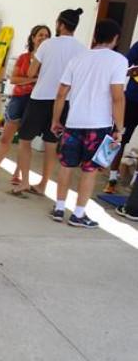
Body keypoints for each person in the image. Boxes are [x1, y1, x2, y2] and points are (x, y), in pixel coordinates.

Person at [49, 19, 127, 228]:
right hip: (99, 124)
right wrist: (120, 128)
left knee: (66, 166)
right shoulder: (118, 61)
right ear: (115, 39)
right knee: (89, 170)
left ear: (95, 36)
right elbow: (118, 97)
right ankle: (78, 214)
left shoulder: (78, 59)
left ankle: (58, 208)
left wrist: (56, 120)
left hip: (73, 122)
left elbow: (61, 93)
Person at [12, 8, 86, 197]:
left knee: (25, 140)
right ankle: (43, 184)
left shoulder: (47, 45)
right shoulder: (81, 49)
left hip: (40, 98)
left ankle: (25, 182)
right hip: (65, 101)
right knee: (51, 144)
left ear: (60, 24)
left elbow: (30, 73)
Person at [0, 25, 51, 183]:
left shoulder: (50, 60)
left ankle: (17, 174)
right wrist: (33, 80)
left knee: (25, 141)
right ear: (33, 37)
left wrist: (29, 81)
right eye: (40, 35)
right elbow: (14, 79)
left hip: (35, 102)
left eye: (46, 35)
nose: (43, 38)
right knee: (5, 138)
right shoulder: (24, 58)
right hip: (18, 100)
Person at [104, 40, 138, 194]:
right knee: (119, 138)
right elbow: (123, 69)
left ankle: (134, 184)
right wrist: (132, 71)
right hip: (131, 100)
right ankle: (111, 178)